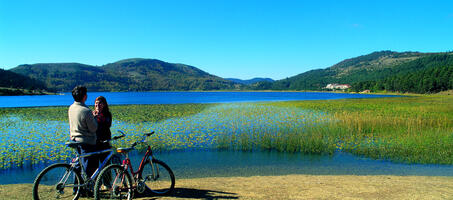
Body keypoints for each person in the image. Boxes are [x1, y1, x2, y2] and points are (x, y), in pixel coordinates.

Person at [68, 85, 98, 178]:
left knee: (78, 166)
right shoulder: (86, 110)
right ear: (84, 96)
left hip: (74, 140)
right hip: (86, 143)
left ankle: (77, 189)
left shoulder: (71, 107)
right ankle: (87, 191)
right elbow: (93, 128)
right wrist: (94, 118)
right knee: (88, 169)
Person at [92, 96, 112, 163]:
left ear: (104, 105)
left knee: (106, 164)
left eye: (100, 103)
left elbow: (107, 125)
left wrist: (99, 117)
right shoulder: (92, 114)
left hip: (105, 143)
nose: (98, 105)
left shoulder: (107, 114)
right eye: (96, 103)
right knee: (95, 165)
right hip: (94, 143)